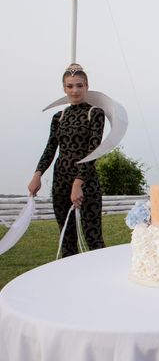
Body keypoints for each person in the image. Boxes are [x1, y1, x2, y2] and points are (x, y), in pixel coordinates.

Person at [27, 64, 106, 257]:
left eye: (79, 85)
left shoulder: (95, 113)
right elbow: (50, 148)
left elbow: (93, 150)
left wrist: (78, 183)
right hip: (60, 180)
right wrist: (37, 175)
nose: (75, 90)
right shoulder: (58, 117)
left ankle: (102, 278)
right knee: (67, 237)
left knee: (92, 236)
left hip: (85, 181)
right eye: (70, 86)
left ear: (87, 86)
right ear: (64, 88)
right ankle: (70, 281)